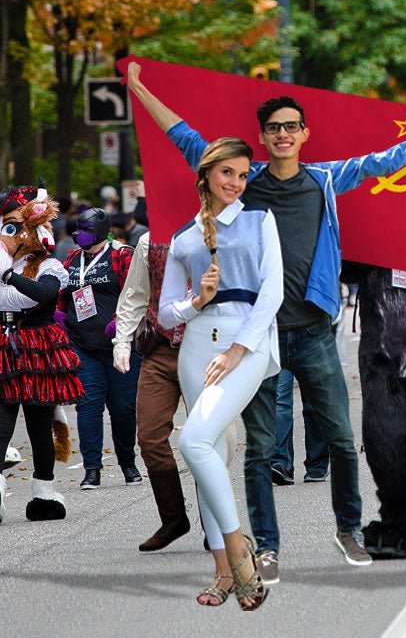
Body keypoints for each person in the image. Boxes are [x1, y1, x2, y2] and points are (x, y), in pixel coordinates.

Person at [127, 61, 406, 580]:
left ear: (304, 133)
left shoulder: (325, 181)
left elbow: (383, 161)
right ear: (262, 138)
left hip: (313, 332)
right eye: (274, 129)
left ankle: (349, 530)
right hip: (257, 337)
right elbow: (186, 138)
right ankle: (266, 547)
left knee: (338, 436)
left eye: (292, 126)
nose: (284, 134)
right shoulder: (245, 182)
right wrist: (138, 89)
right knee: (261, 449)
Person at [159, 137, 280, 610]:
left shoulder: (259, 220)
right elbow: (167, 315)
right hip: (195, 348)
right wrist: (196, 301)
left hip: (244, 344)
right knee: (210, 454)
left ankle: (238, 555)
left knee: (192, 441)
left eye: (243, 174)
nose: (237, 182)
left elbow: (272, 292)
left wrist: (236, 349)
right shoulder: (185, 238)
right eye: (228, 172)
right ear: (207, 174)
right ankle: (222, 573)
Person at [0, 185, 80, 523]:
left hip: (38, 348)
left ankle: (44, 492)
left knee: (39, 424)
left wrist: (7, 276)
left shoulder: (49, 265)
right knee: (2, 425)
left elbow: (40, 295)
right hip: (4, 346)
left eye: (15, 226)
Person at [112, 232, 192, 551]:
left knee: (206, 439)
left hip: (203, 350)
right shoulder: (149, 241)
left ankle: (217, 522)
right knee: (149, 436)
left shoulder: (220, 232)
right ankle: (173, 518)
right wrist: (121, 341)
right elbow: (134, 296)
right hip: (159, 351)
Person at [60, 208, 141, 490]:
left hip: (121, 345)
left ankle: (128, 463)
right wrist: (60, 315)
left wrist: (120, 323)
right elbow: (63, 293)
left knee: (123, 408)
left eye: (85, 228)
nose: (78, 233)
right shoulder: (72, 258)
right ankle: (92, 468)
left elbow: (137, 294)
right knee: (88, 407)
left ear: (100, 229)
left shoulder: (122, 255)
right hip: (83, 345)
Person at [270, 366, 329, 485]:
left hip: (312, 348)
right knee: (280, 400)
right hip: (281, 348)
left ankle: (317, 466)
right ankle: (281, 463)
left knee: (313, 403)